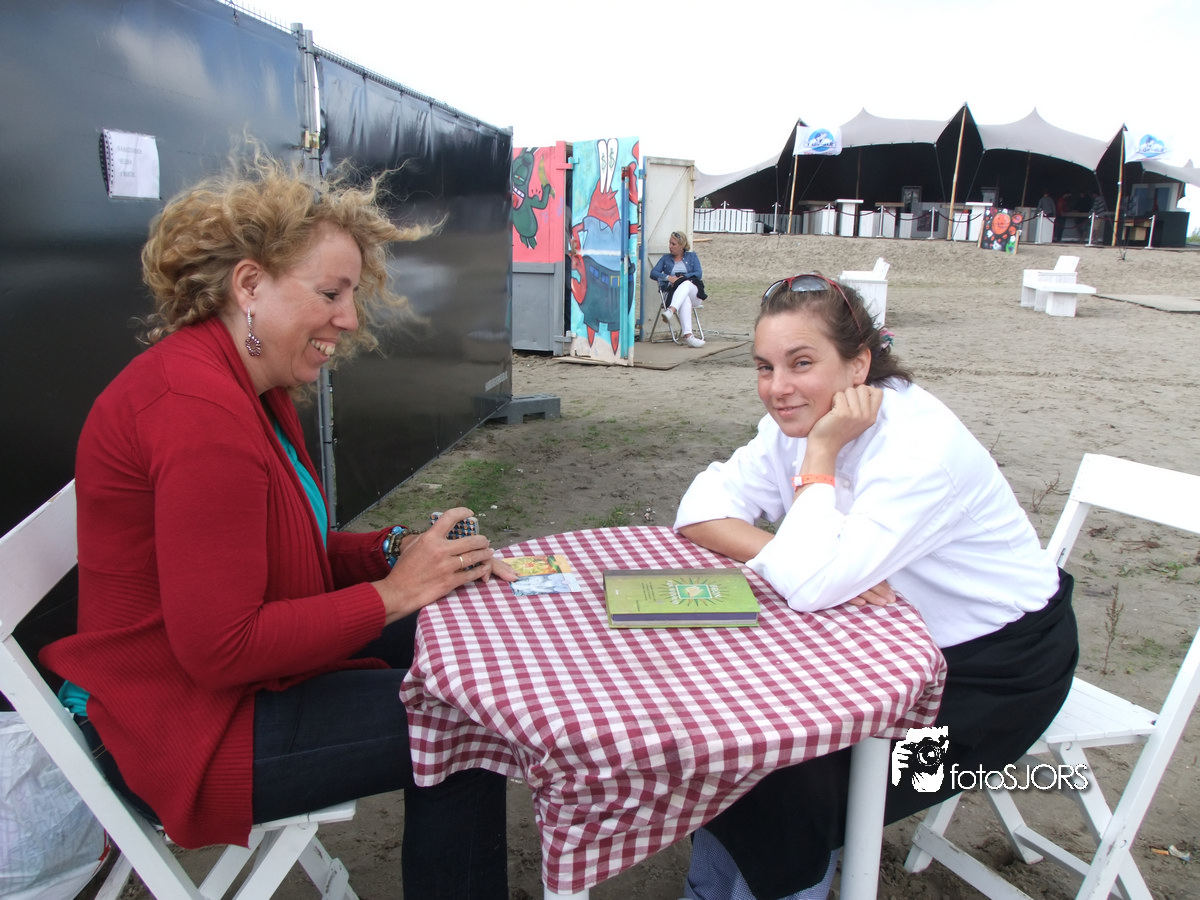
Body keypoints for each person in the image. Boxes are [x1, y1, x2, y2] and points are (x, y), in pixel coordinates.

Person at [40, 151, 515, 898]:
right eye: (330, 292)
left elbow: (283, 553)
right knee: (473, 725)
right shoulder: (198, 410)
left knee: (463, 631)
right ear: (250, 285)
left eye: (352, 294)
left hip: (220, 685)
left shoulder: (244, 385)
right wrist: (395, 593)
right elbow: (223, 647)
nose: (349, 319)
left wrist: (399, 553)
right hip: (187, 727)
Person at [673, 273, 1078, 900]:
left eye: (800, 363)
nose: (777, 388)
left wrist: (822, 458)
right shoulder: (795, 419)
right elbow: (699, 510)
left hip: (996, 684)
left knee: (800, 783)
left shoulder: (917, 447)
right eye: (764, 367)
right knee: (745, 742)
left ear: (858, 364)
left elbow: (811, 587)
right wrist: (802, 558)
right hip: (880, 653)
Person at [650, 230, 706, 347]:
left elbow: (698, 274)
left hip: (694, 293)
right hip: (673, 294)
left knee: (685, 284)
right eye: (670, 243)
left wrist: (683, 277)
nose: (670, 246)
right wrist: (669, 278)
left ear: (681, 246)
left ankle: (671, 311)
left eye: (673, 244)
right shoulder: (666, 258)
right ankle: (689, 337)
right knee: (684, 299)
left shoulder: (692, 256)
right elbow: (653, 273)